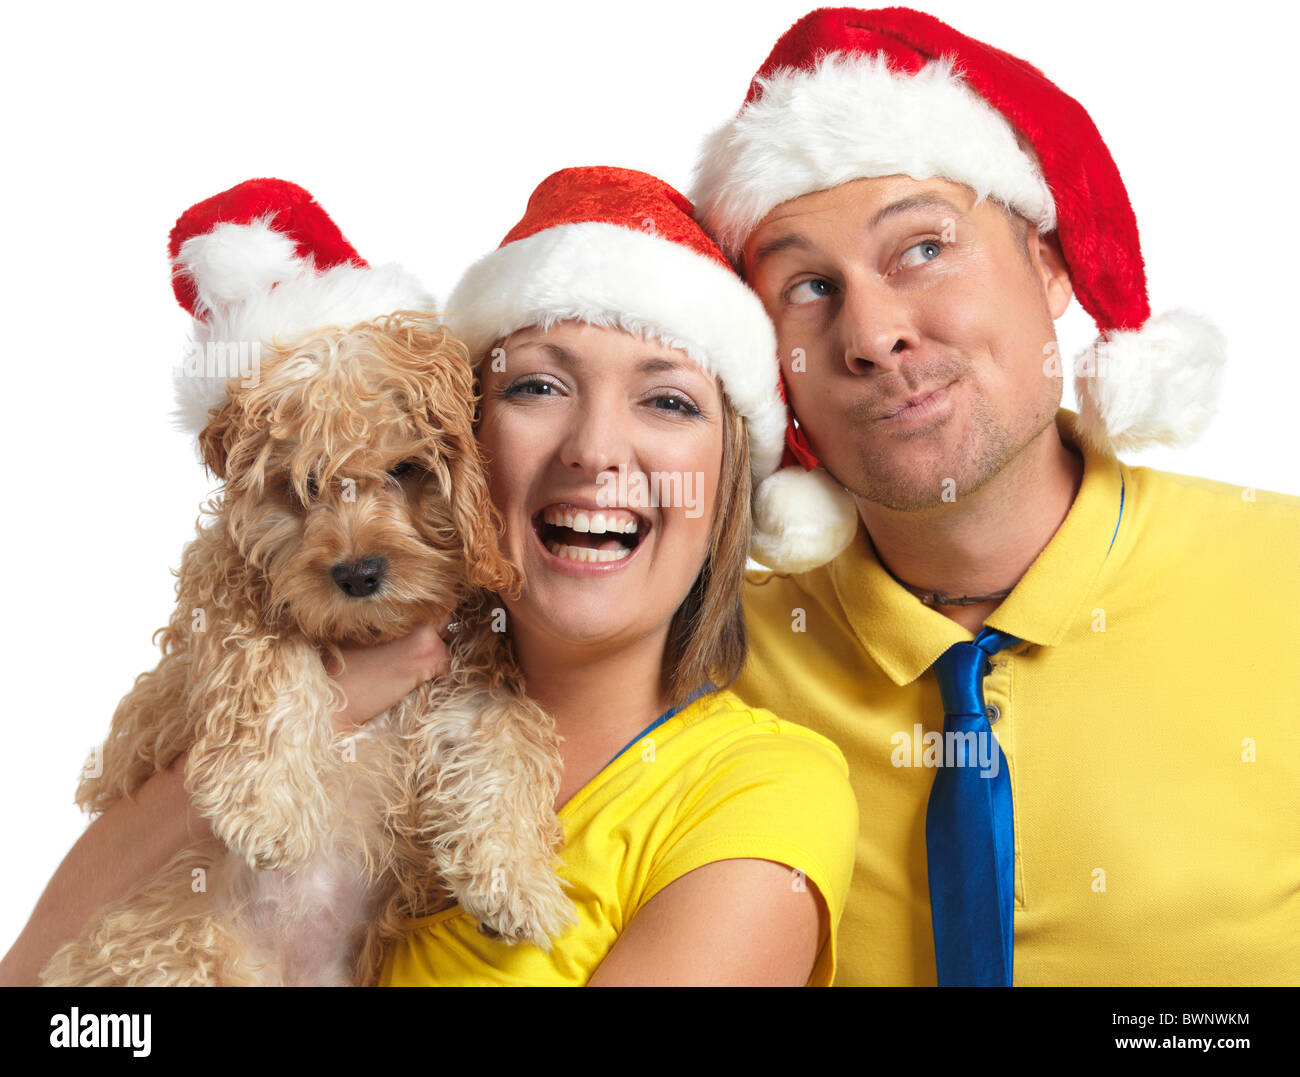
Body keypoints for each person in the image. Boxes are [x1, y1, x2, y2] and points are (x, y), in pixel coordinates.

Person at [0, 166, 858, 987]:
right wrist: (322, 703)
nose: (594, 450)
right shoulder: (313, 679)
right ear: (467, 449)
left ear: (732, 478)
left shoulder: (759, 795)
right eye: (538, 386)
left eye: (669, 400)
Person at [686, 6, 1300, 986]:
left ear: (1049, 265)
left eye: (922, 249)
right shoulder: (703, 660)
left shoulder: (1284, 582)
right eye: (807, 287)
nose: (872, 333)